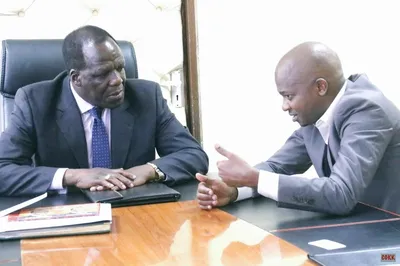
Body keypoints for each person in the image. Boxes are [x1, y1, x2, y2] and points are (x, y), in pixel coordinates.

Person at [0, 25, 208, 196]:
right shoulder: (35, 102)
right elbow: (3, 170)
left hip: (135, 211)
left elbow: (193, 155)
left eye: (120, 67)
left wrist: (148, 171)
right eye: (103, 74)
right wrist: (73, 176)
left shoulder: (146, 96)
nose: (118, 80)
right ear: (76, 78)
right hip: (67, 216)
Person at [196, 41, 400, 215]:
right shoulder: (317, 115)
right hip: (360, 229)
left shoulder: (367, 110)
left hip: (390, 237)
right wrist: (235, 189)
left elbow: (341, 193)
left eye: (289, 96)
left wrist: (254, 178)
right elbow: (276, 167)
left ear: (320, 87)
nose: (284, 106)